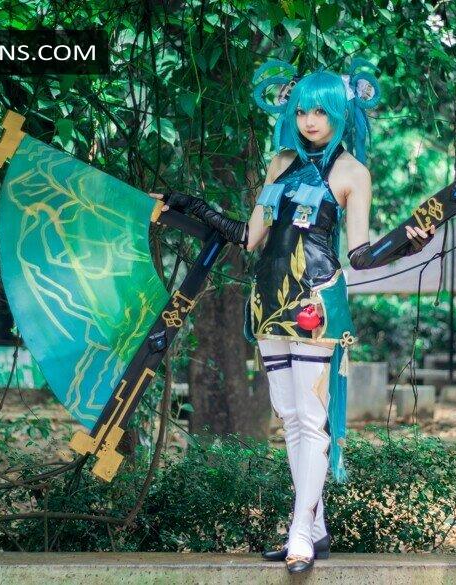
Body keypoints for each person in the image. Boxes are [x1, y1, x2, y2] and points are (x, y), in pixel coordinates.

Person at [150, 59, 434, 574]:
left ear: (340, 112)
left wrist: (408, 244)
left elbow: (360, 254)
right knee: (290, 418)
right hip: (266, 302)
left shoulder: (352, 172)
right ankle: (315, 527)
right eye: (302, 111)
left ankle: (300, 531)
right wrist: (185, 203)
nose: (309, 121)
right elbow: (248, 237)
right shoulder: (279, 163)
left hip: (315, 304)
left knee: (310, 418)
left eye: (320, 112)